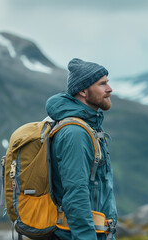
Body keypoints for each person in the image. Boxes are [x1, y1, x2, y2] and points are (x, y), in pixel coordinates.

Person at [45, 58, 118, 240]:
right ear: (83, 91)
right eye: (102, 84)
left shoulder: (88, 127)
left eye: (107, 82)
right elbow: (76, 196)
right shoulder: (75, 133)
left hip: (98, 233)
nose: (109, 89)